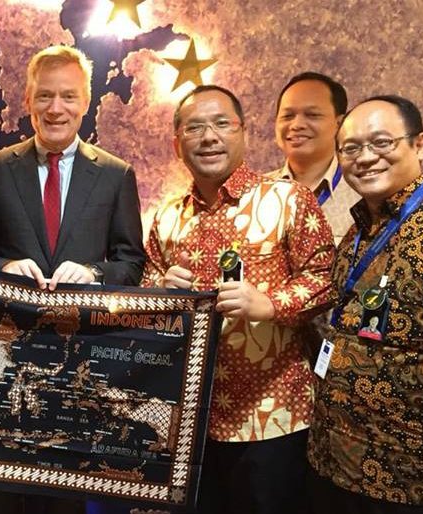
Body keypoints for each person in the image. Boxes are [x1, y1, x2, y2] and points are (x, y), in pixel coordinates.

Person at [143, 85, 335, 514]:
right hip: (192, 419)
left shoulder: (288, 200)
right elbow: (148, 284)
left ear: (244, 133)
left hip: (274, 415)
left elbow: (324, 279)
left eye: (221, 124)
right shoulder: (167, 216)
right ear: (177, 145)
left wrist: (270, 304)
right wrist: (161, 291)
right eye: (194, 128)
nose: (209, 137)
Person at [307, 95, 423, 514]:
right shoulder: (357, 232)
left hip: (408, 477)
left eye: (381, 143)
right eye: (350, 148)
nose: (364, 157)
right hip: (332, 461)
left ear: (419, 144)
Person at [0, 45, 145, 291]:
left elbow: (132, 264)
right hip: (10, 314)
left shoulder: (116, 175)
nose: (55, 109)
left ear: (85, 103)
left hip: (83, 315)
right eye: (44, 96)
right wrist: (4, 267)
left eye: (68, 97)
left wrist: (93, 272)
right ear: (28, 101)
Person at [268, 72, 360, 245]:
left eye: (312, 115)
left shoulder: (363, 193)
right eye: (288, 116)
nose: (297, 125)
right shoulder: (253, 194)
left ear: (340, 124)